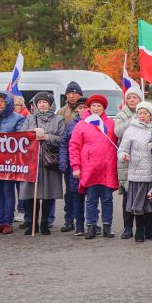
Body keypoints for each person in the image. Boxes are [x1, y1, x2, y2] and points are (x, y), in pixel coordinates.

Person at [69, 94, 119, 239]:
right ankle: (90, 226)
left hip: (107, 168)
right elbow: (74, 146)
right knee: (91, 200)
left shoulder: (111, 124)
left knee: (107, 199)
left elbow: (118, 141)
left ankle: (107, 226)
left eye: (99, 106)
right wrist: (76, 166)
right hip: (89, 168)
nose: (96, 108)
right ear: (89, 108)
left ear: (103, 108)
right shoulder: (82, 124)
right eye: (93, 106)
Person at [20, 91, 66, 236]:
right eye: (39, 102)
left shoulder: (59, 119)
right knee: (30, 195)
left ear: (50, 104)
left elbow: (62, 139)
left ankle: (45, 222)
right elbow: (22, 136)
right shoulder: (29, 118)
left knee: (48, 194)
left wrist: (47, 136)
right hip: (32, 161)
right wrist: (32, 135)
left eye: (45, 102)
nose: (42, 104)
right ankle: (33, 224)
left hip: (49, 161)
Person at [118, 100, 152, 243]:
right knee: (138, 203)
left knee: (150, 202)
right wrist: (123, 156)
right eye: (139, 113)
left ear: (151, 114)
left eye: (145, 113)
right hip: (136, 172)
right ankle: (139, 230)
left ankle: (150, 230)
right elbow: (122, 149)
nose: (142, 115)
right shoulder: (131, 129)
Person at [0, 91, 25, 234]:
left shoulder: (18, 118)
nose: (0, 104)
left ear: (8, 103)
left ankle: (8, 222)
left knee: (8, 192)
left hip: (9, 162)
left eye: (3, 101)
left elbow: (20, 137)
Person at [114, 87, 143, 239]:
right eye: (129, 97)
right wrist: (132, 120)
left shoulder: (147, 113)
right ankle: (127, 227)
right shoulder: (121, 115)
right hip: (126, 159)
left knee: (142, 194)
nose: (132, 100)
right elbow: (118, 132)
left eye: (135, 97)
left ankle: (142, 227)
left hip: (143, 160)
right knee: (127, 194)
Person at [58, 100, 88, 235]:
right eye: (79, 108)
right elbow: (64, 144)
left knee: (92, 196)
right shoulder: (71, 124)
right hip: (74, 166)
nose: (82, 110)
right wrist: (63, 162)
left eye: (84, 107)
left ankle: (92, 222)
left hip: (90, 165)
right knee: (75, 195)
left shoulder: (94, 122)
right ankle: (77, 223)